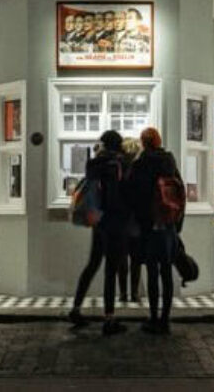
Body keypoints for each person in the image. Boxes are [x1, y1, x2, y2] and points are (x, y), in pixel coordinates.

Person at [66, 129, 131, 335]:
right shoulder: (121, 163)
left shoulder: (93, 163)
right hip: (116, 221)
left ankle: (76, 308)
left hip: (98, 220)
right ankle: (109, 318)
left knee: (93, 264)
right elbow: (125, 192)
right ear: (118, 144)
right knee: (111, 269)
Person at [126, 126, 181, 334]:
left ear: (143, 142)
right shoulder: (169, 161)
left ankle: (153, 317)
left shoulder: (141, 164)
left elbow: (133, 195)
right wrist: (176, 224)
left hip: (149, 227)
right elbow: (179, 190)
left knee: (152, 272)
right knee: (166, 272)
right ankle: (165, 319)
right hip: (167, 225)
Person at [116, 136, 143, 304]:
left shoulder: (117, 168)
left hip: (120, 219)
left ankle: (123, 293)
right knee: (136, 259)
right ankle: (134, 293)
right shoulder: (139, 169)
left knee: (121, 258)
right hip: (136, 219)